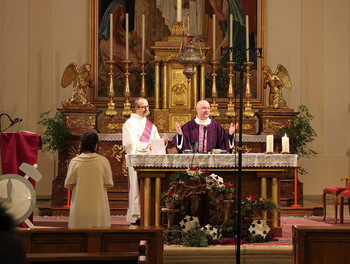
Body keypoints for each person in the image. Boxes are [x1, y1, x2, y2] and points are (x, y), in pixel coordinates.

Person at [122, 97, 169, 224]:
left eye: (147, 106)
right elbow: (130, 144)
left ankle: (149, 213)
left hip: (149, 162)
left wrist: (162, 141)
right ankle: (136, 215)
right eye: (143, 107)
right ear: (136, 108)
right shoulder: (130, 123)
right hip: (137, 161)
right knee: (137, 188)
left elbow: (155, 143)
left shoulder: (150, 125)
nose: (146, 109)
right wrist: (146, 146)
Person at [64, 131, 114, 228]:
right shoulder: (103, 161)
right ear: (96, 145)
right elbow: (109, 183)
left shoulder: (75, 162)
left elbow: (68, 184)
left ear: (82, 144)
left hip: (79, 209)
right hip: (98, 209)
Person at [173, 100, 237, 153]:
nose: (207, 110)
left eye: (208, 108)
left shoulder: (216, 126)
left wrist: (230, 135)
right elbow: (182, 147)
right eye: (204, 108)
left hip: (212, 161)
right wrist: (180, 135)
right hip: (193, 160)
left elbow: (224, 144)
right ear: (197, 109)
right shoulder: (188, 126)